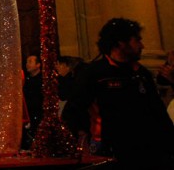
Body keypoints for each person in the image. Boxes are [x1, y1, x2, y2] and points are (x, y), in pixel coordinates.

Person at [62, 17, 174, 168]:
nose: (142, 45)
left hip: (147, 152)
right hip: (110, 153)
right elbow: (73, 111)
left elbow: (157, 111)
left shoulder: (141, 73)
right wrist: (83, 143)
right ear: (121, 43)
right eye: (137, 40)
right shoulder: (95, 74)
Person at [22, 53, 42, 149]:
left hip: (38, 113)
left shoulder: (42, 80)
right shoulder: (26, 80)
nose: (27, 64)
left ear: (38, 65)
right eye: (26, 62)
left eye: (30, 62)